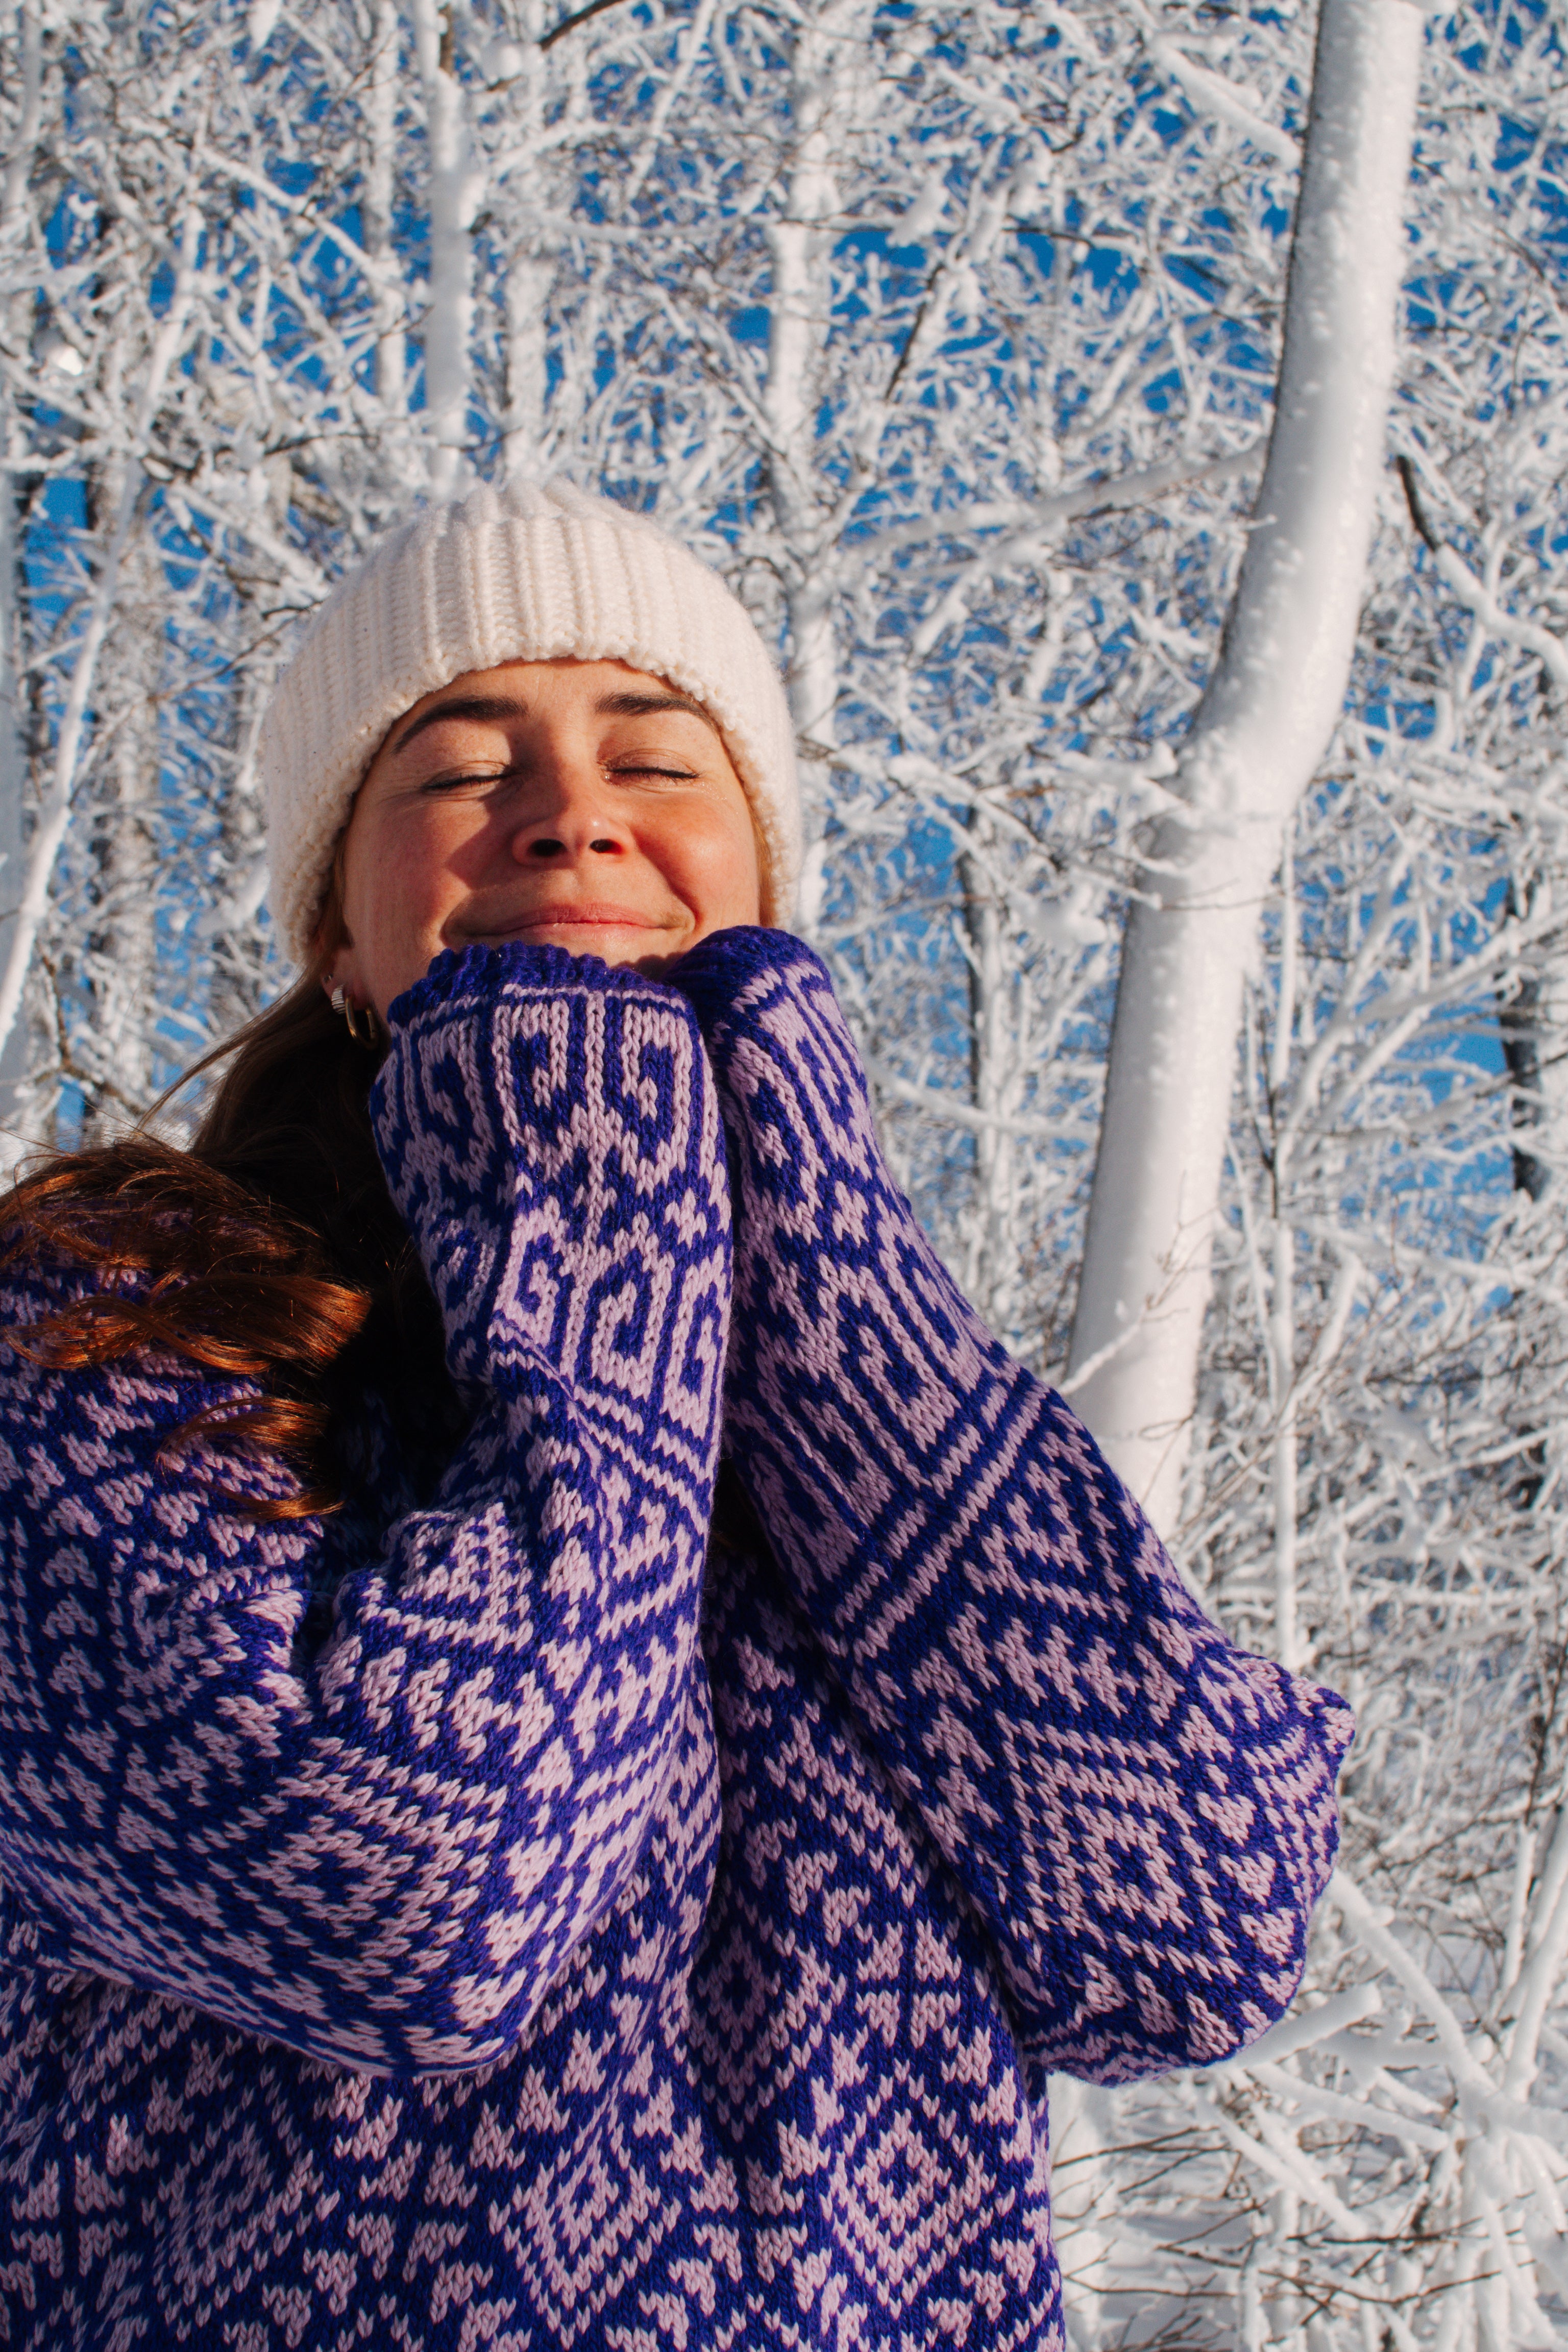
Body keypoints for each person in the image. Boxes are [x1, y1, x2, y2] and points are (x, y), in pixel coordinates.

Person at [0, 478, 1351, 2350]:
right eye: (463, 772)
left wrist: (843, 1299)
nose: (574, 810)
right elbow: (418, 1904)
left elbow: (1195, 1931)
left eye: (659, 758)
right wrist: (584, 1195)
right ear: (335, 932)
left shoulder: (873, 1422)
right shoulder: (108, 1338)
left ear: (764, 886)